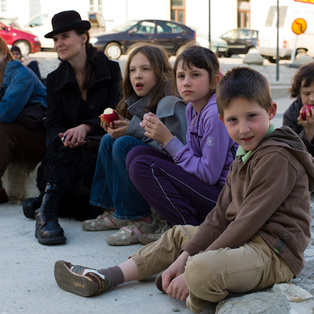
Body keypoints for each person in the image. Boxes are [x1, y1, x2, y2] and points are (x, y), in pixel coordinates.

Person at [54, 66, 313, 312]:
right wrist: (181, 260)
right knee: (178, 236)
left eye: (252, 117)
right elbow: (219, 217)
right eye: (233, 120)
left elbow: (245, 223)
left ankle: (193, 288)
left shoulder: (277, 157)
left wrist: (189, 267)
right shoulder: (244, 155)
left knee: (200, 269)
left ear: (271, 111)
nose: (243, 129)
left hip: (273, 252)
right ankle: (107, 276)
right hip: (244, 243)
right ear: (222, 120)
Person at [22, 10, 122, 246]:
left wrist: (86, 127)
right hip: (64, 156)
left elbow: (117, 114)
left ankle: (43, 203)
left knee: (88, 210)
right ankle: (46, 216)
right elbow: (54, 122)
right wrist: (67, 136)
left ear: (83, 37)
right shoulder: (56, 79)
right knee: (64, 150)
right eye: (55, 39)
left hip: (98, 153)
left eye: (64, 36)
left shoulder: (111, 70)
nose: (58, 44)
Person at [125, 46, 237, 244]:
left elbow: (208, 175)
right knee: (136, 154)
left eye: (195, 75)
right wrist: (161, 140)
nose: (186, 82)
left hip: (222, 200)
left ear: (214, 81)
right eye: (181, 76)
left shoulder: (214, 114)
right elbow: (191, 158)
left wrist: (168, 140)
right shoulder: (192, 109)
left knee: (142, 165)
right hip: (207, 191)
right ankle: (179, 225)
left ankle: (188, 230)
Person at [81, 43, 187, 246]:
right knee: (109, 140)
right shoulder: (144, 100)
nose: (137, 75)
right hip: (152, 163)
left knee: (124, 144)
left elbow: (174, 148)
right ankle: (116, 211)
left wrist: (132, 129)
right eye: (132, 70)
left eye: (145, 69)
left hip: (173, 173)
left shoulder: (170, 101)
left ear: (161, 71)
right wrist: (122, 125)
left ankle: (142, 219)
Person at [0, 37, 46, 204]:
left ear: (5, 54)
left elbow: (6, 113)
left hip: (39, 136)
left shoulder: (20, 74)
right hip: (18, 134)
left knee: (1, 130)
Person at [283, 62, 314, 156]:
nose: (312, 99)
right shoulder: (291, 115)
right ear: (299, 93)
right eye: (307, 93)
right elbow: (292, 149)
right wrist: (309, 130)